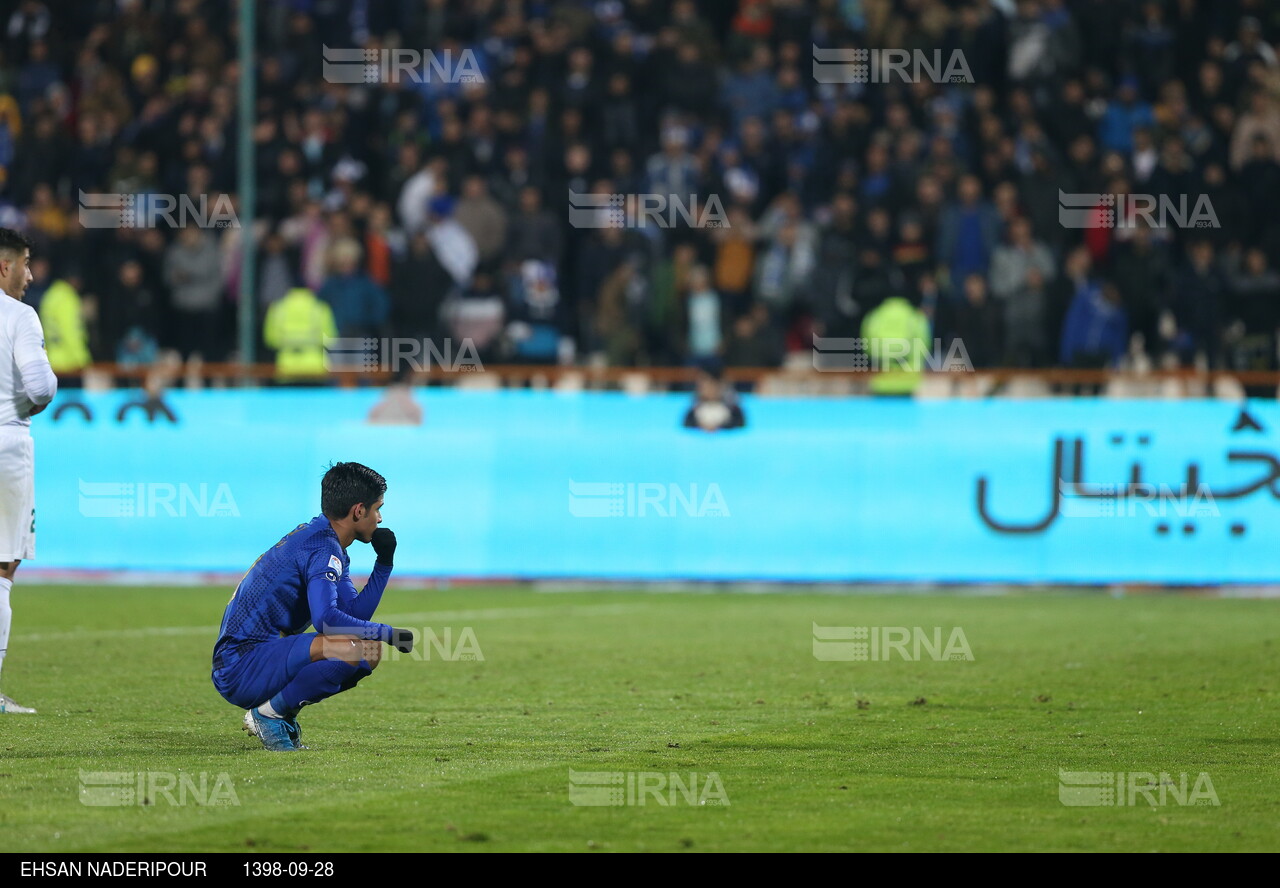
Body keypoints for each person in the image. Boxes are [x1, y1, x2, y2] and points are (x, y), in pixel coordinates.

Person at [211, 463, 414, 751]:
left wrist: (384, 565)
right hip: (240, 666)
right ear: (358, 511)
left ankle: (278, 711)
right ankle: (269, 715)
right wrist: (388, 632)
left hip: (258, 658)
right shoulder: (321, 549)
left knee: (368, 650)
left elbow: (352, 616)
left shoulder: (325, 542)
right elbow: (327, 622)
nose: (380, 518)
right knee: (356, 647)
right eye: (377, 508)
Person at [0, 228, 54, 714]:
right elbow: (39, 386)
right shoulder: (18, 317)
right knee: (2, 566)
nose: (30, 275)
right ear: (4, 267)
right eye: (25, 264)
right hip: (6, 445)